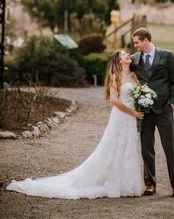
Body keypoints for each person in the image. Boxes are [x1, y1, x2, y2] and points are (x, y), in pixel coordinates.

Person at [6, 50, 144, 199]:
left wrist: (143, 103)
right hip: (121, 116)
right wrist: (133, 113)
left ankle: (126, 183)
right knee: (113, 146)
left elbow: (139, 93)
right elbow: (114, 101)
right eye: (124, 54)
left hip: (130, 118)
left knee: (128, 146)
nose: (128, 55)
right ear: (118, 61)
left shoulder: (133, 75)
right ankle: (111, 183)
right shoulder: (115, 76)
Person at [131, 27, 174, 198]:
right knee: (147, 149)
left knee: (170, 148)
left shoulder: (167, 55)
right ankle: (150, 184)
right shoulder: (134, 59)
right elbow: (121, 71)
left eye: (137, 42)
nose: (135, 45)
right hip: (145, 112)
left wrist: (173, 104)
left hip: (164, 110)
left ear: (146, 40)